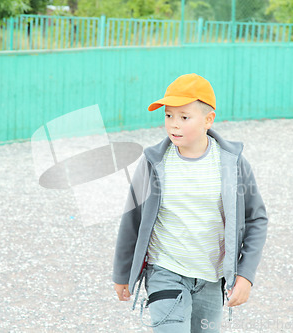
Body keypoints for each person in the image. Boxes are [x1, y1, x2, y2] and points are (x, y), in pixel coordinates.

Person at [112, 73, 268, 333]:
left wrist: (245, 274)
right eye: (168, 115)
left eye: (184, 117)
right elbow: (132, 218)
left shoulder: (233, 164)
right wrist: (122, 272)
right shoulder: (153, 163)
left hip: (211, 278)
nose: (174, 124)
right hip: (165, 271)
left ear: (208, 119)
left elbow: (256, 219)